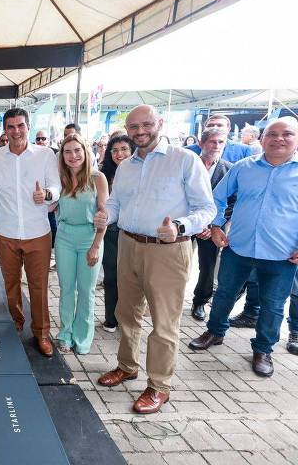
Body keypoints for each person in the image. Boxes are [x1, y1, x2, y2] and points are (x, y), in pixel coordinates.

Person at [94, 104, 215, 414]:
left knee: (164, 322)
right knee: (126, 312)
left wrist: (179, 226)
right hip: (128, 244)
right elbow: (118, 204)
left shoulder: (184, 160)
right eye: (133, 127)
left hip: (168, 252)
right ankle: (127, 366)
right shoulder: (126, 166)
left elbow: (207, 210)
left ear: (160, 123)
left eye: (146, 124)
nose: (140, 131)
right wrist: (105, 216)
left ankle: (159, 385)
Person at [188, 117, 298, 377]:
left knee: (272, 304)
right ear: (262, 139)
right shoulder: (243, 167)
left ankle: (263, 349)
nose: (279, 139)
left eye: (287, 134)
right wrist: (215, 226)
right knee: (225, 293)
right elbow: (218, 196)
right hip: (238, 247)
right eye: (272, 134)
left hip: (281, 254)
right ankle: (215, 332)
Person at [0, 108, 61, 356]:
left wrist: (46, 194)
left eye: (20, 126)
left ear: (28, 126)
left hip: (38, 232)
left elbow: (56, 187)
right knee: (11, 283)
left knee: (39, 286)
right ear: (5, 129)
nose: (16, 131)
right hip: (6, 232)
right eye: (11, 127)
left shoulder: (46, 155)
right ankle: (16, 321)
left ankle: (42, 333)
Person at [53, 134, 109, 354]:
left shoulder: (98, 178)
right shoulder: (60, 178)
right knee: (66, 289)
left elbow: (103, 213)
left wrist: (96, 245)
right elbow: (50, 205)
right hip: (64, 237)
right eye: (67, 151)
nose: (73, 156)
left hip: (90, 237)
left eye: (77, 150)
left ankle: (83, 337)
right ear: (62, 155)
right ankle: (65, 334)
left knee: (86, 291)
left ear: (85, 152)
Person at [189, 129, 237, 321]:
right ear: (202, 143)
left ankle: (200, 301)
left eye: (221, 142)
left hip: (212, 228)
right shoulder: (188, 164)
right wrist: (192, 223)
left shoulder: (230, 169)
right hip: (185, 223)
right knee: (176, 262)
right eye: (212, 142)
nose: (216, 146)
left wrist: (213, 225)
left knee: (207, 266)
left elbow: (233, 201)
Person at [99, 134, 136, 332]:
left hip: (133, 233)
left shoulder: (141, 172)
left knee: (131, 279)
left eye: (124, 149)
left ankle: (129, 318)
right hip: (111, 233)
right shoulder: (103, 174)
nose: (119, 154)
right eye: (114, 150)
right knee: (111, 276)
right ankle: (111, 318)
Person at [185, 114, 253, 162]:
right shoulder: (188, 151)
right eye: (210, 125)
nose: (215, 127)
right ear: (204, 129)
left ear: (228, 129)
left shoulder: (244, 151)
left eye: (220, 125)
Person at [36, 130, 59, 245]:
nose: (40, 141)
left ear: (48, 140)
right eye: (38, 139)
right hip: (36, 202)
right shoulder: (31, 155)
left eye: (43, 138)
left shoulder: (56, 154)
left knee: (53, 230)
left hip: (51, 200)